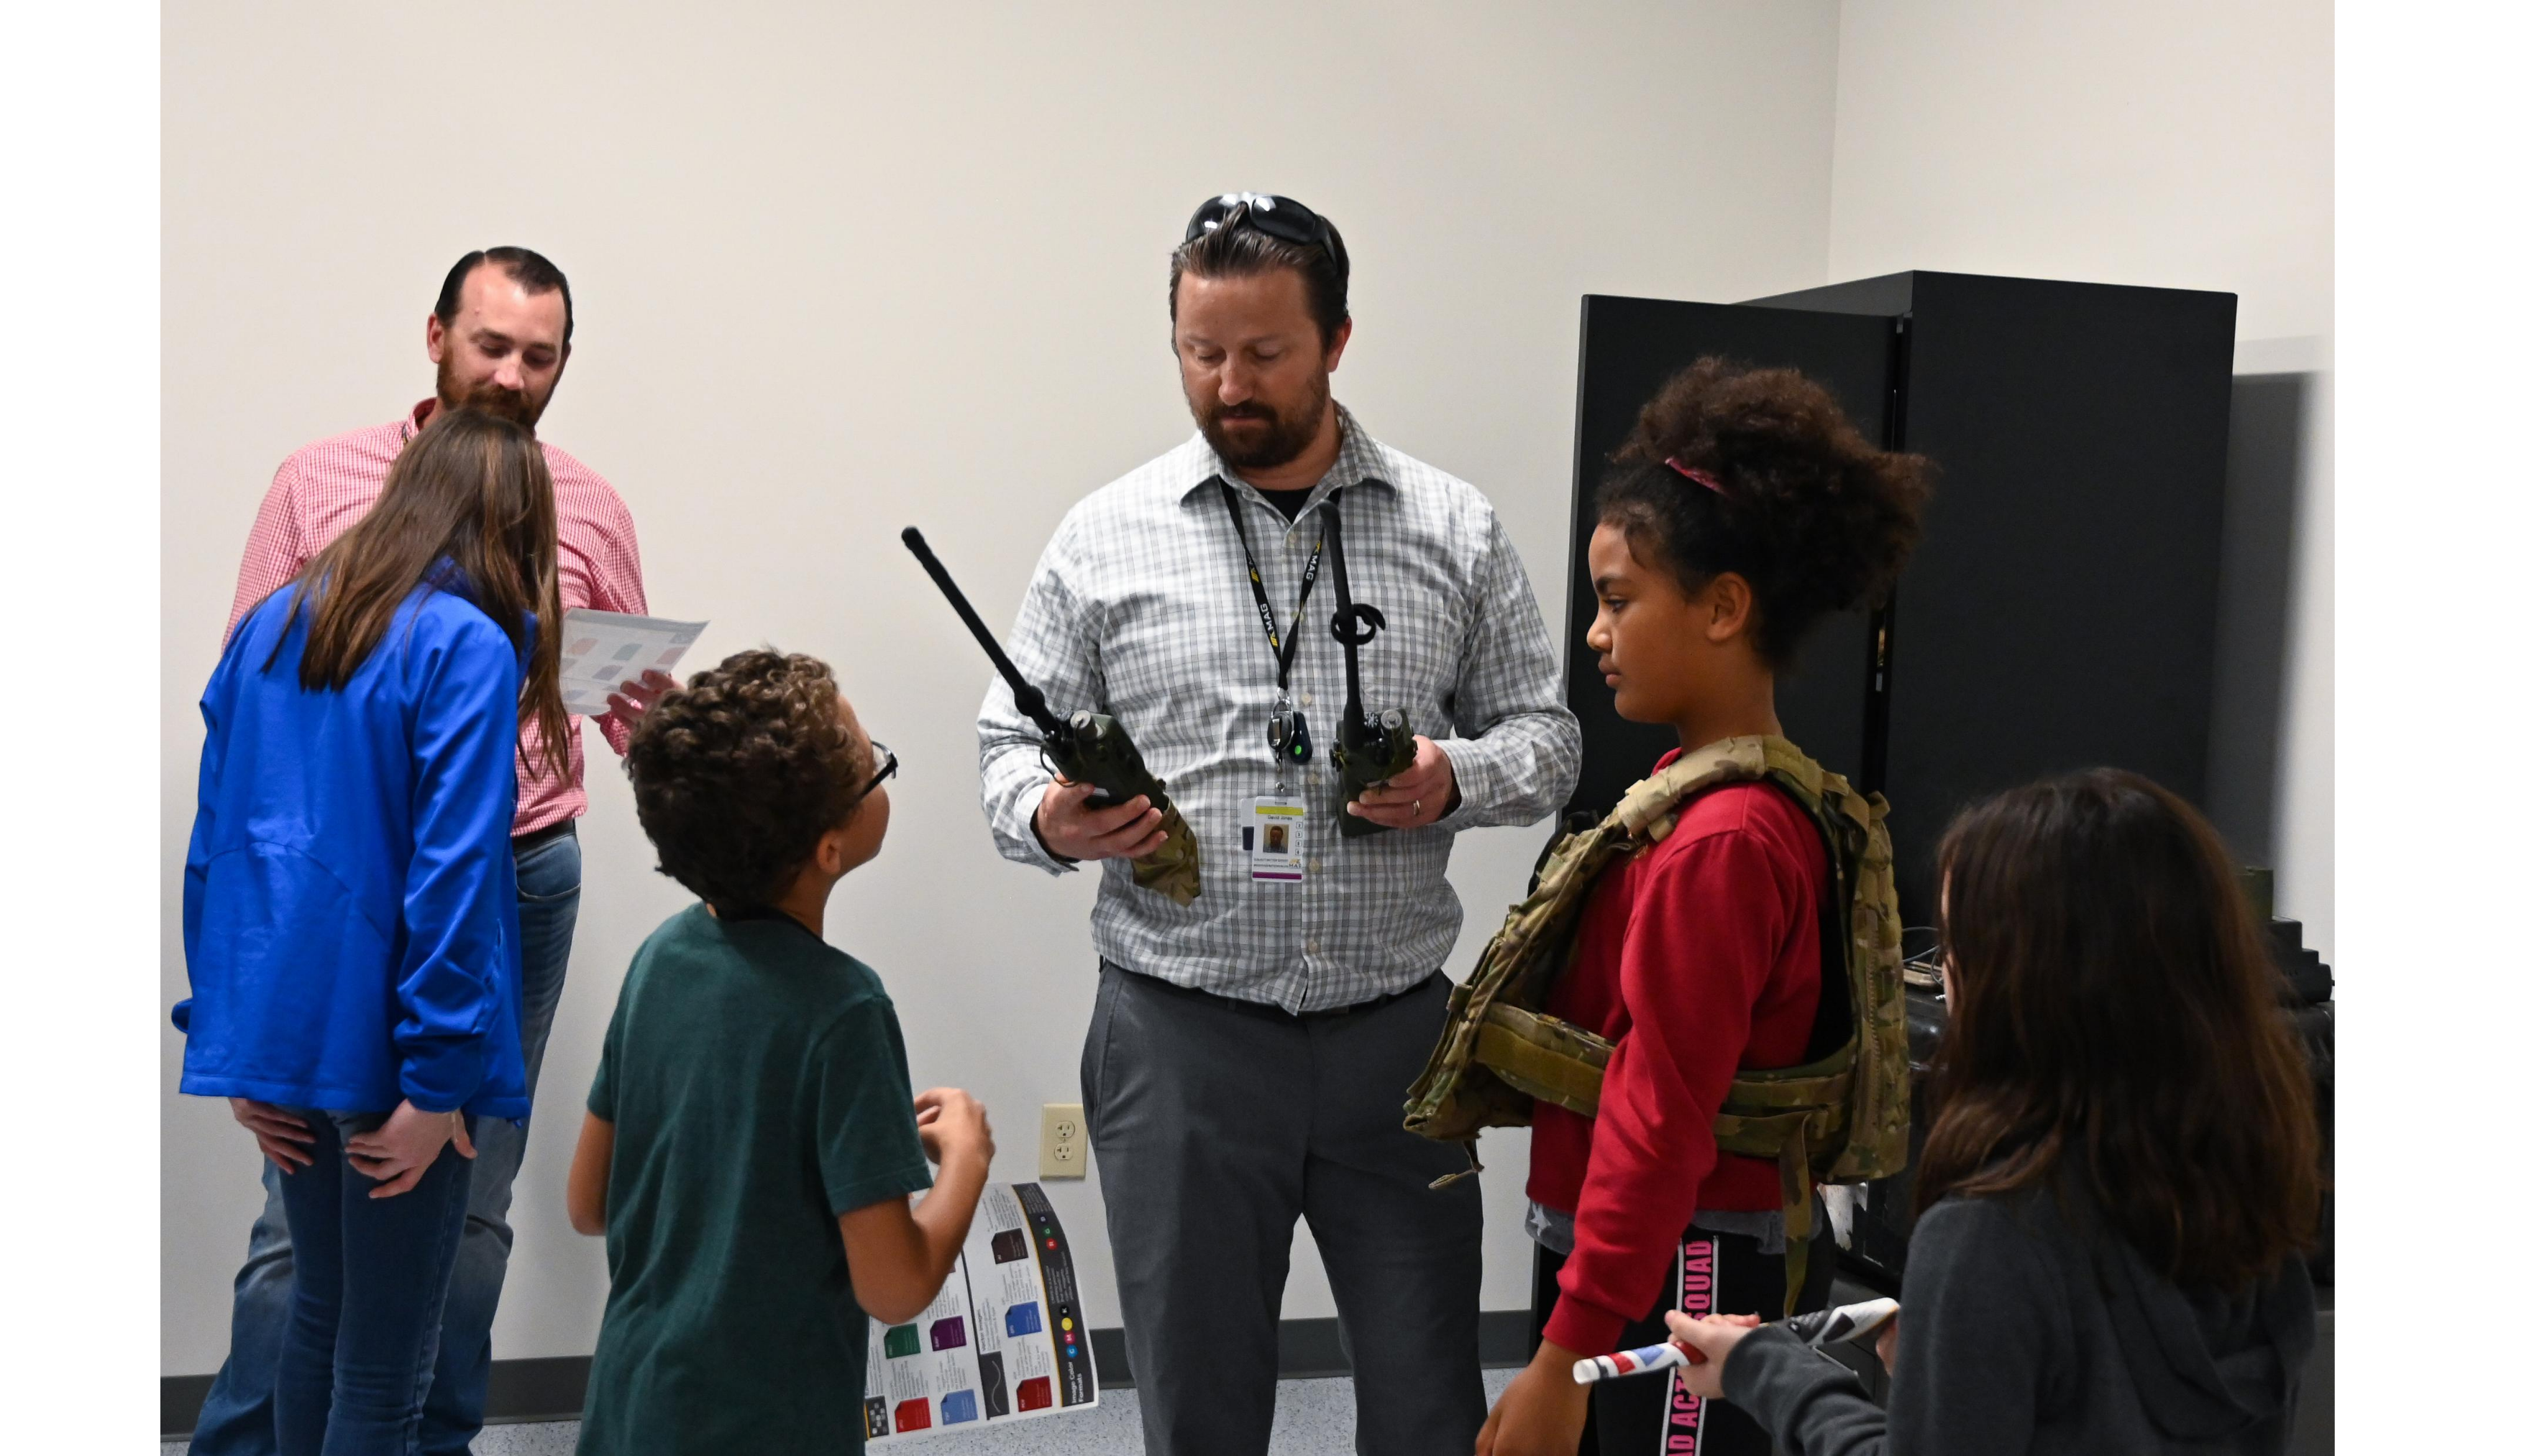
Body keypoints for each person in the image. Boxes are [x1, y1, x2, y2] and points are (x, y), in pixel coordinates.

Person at [974, 192, 1581, 1456]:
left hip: (1397, 1044)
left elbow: (1552, 737)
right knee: (1200, 1407)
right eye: (1202, 351)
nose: (1228, 383)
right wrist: (1052, 815)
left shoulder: (1451, 529)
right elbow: (1003, 751)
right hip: (1178, 1039)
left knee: (1427, 1404)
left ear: (1338, 341)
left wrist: (1454, 777)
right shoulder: (1105, 537)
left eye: (1264, 353)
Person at [191, 246, 664, 1456]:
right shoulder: (409, 582)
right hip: (389, 910)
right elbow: (432, 855)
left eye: (539, 355)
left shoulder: (588, 505)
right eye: (492, 345)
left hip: (472, 897)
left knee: (454, 1223)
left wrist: (230, 1027)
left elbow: (226, 819)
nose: (512, 373)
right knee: (335, 1279)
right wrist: (442, 1073)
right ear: (437, 337)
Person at [1480, 359, 1929, 1456]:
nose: (1597, 632)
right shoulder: (1718, 798)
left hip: (1684, 1268)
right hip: (1655, 1251)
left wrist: (1562, 1357)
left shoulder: (1721, 842)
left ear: (1725, 606)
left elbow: (1658, 1114)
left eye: (1620, 600)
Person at [1667, 769, 2321, 1455]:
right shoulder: (2257, 1193)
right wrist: (1952, 1363)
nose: (1945, 980)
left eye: (1956, 952)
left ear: (2021, 985)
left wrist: (1766, 1368)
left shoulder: (1992, 1234)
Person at [177, 407, 565, 1455]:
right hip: (399, 1049)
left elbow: (219, 843)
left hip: (284, 1032)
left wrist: (229, 1035)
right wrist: (436, 1083)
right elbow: (453, 876)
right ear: (515, 525)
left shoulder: (273, 623)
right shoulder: (470, 645)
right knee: (385, 1364)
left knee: (320, 1317)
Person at [564, 649, 995, 1455]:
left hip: (632, 1410)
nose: (881, 775)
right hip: (764, 1425)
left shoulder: (662, 956)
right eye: (877, 768)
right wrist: (966, 1160)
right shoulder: (845, 1012)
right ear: (829, 849)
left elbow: (590, 1203)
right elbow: (896, 1285)